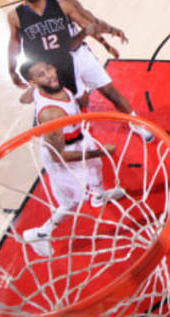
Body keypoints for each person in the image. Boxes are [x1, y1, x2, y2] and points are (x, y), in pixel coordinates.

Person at [7, 0, 154, 142]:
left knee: (110, 91)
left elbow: (90, 24)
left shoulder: (65, 3)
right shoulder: (16, 15)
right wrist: (12, 70)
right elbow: (14, 43)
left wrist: (111, 33)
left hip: (79, 53)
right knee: (78, 102)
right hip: (54, 65)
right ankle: (72, 131)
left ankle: (136, 124)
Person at [19, 60, 125, 258]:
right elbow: (59, 156)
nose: (50, 74)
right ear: (34, 82)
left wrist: (31, 87)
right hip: (61, 155)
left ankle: (98, 197)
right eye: (42, 74)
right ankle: (39, 234)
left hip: (77, 137)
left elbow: (23, 99)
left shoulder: (48, 87)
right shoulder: (51, 113)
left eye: (49, 67)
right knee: (71, 203)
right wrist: (98, 152)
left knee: (95, 168)